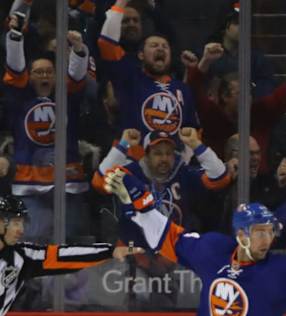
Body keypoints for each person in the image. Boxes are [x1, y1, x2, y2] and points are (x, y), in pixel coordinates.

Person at [104, 169, 286, 315]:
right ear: (241, 235)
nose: (267, 238)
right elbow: (168, 237)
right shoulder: (212, 251)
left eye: (270, 231)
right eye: (259, 231)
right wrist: (143, 207)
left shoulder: (282, 271)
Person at [3, 14, 91, 241]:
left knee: (70, 237)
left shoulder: (67, 97)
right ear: (29, 77)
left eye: (49, 72)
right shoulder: (20, 98)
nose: (44, 76)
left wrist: (79, 49)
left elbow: (77, 76)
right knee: (35, 236)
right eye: (38, 72)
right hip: (29, 182)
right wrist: (14, 36)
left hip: (67, 182)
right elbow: (14, 68)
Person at [181, 35, 286, 174]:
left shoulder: (260, 112)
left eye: (249, 93)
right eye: (241, 94)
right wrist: (206, 61)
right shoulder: (213, 116)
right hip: (218, 185)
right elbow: (192, 93)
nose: (248, 98)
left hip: (259, 185)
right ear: (225, 97)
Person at [0, 195, 144, 316]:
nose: (21, 230)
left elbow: (64, 255)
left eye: (22, 224)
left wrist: (110, 251)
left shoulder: (22, 256)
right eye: (16, 223)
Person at [97, 0, 199, 142]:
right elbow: (106, 42)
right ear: (141, 55)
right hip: (133, 158)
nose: (160, 48)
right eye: (154, 45)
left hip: (169, 159)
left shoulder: (182, 89)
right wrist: (121, 2)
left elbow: (191, 133)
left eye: (165, 46)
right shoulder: (129, 77)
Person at [92, 127, 231, 231]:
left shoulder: (183, 173)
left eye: (168, 153)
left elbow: (221, 178)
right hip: (137, 246)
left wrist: (196, 144)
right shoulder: (131, 173)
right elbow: (99, 181)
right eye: (158, 153)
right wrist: (123, 145)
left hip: (177, 247)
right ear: (146, 155)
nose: (164, 158)